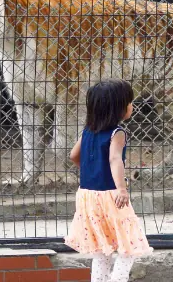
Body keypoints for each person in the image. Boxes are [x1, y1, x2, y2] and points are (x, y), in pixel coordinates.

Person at [65, 79, 152, 282]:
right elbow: (115, 159)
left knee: (101, 250)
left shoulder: (88, 131)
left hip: (87, 195)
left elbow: (73, 156)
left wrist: (93, 170)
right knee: (129, 247)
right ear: (119, 108)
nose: (132, 106)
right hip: (111, 196)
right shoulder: (117, 133)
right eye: (129, 102)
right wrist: (121, 188)